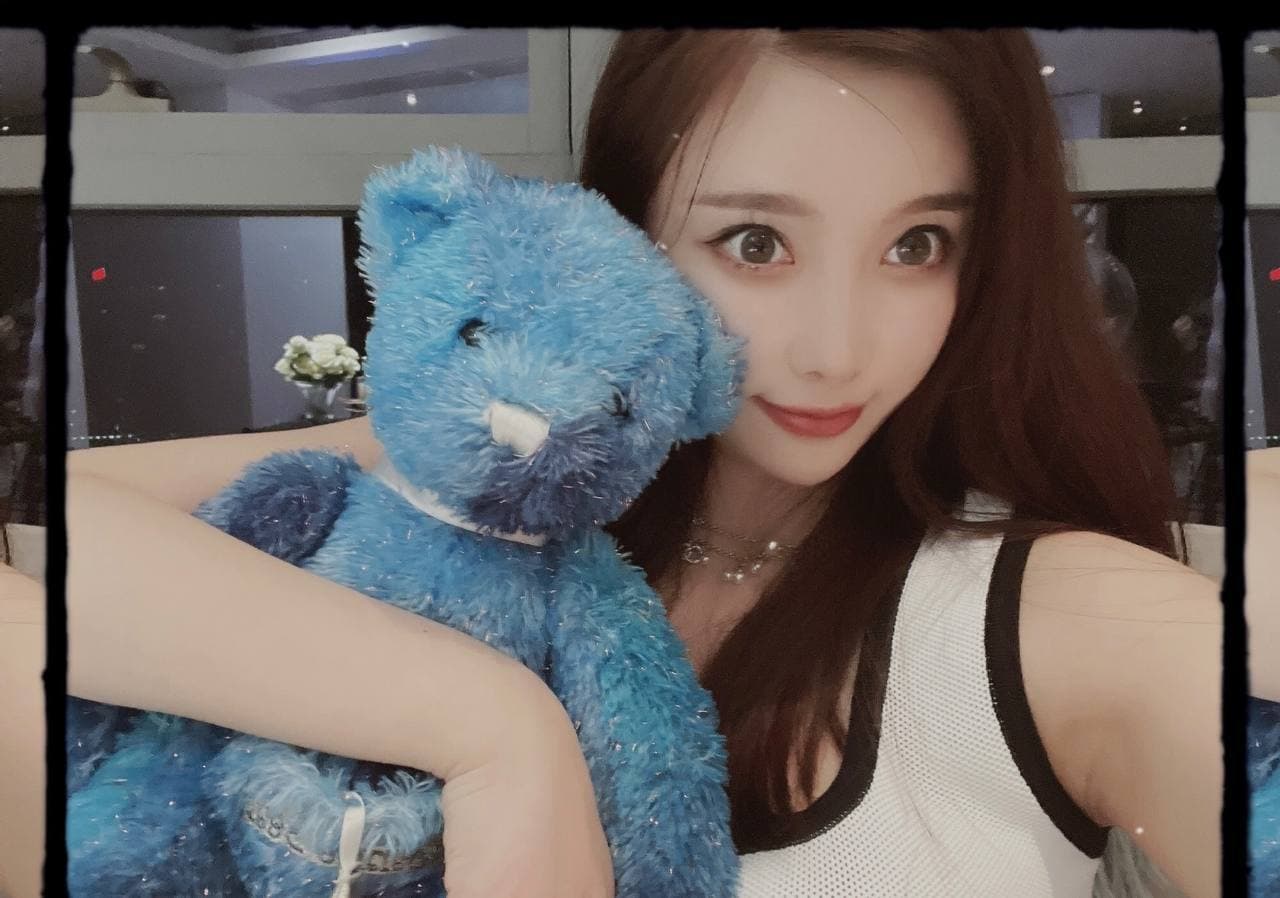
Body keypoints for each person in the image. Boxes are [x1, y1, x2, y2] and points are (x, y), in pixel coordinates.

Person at [4, 28, 1239, 898]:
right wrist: (492, 727)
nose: (836, 349)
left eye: (916, 244)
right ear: (626, 237)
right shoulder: (525, 511)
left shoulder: (1049, 614)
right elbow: (67, 531)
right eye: (754, 241)